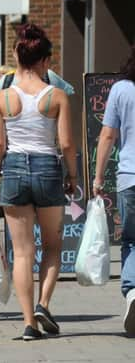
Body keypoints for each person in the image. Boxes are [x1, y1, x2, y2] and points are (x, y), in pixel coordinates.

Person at [0, 24, 76, 340]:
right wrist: (73, 175)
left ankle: (28, 322)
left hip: (12, 169)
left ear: (16, 56)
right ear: (46, 61)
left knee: (22, 252)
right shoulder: (57, 96)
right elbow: (65, 143)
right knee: (52, 246)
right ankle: (44, 303)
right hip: (48, 168)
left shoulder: (2, 98)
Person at [93, 45, 135, 335]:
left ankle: (132, 292)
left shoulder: (120, 89)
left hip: (130, 177)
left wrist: (97, 176)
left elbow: (107, 135)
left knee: (131, 239)